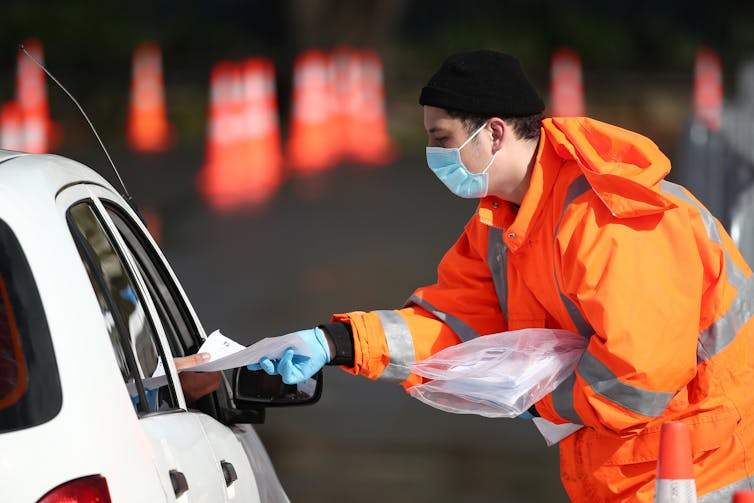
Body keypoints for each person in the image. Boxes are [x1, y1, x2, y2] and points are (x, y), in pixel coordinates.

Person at [248, 49, 754, 502]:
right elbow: (455, 325)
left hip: (703, 471)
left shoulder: (608, 215)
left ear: (492, 132)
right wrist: (336, 342)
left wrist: (535, 402)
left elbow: (639, 378)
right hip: (628, 468)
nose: (434, 158)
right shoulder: (502, 223)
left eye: (441, 139)